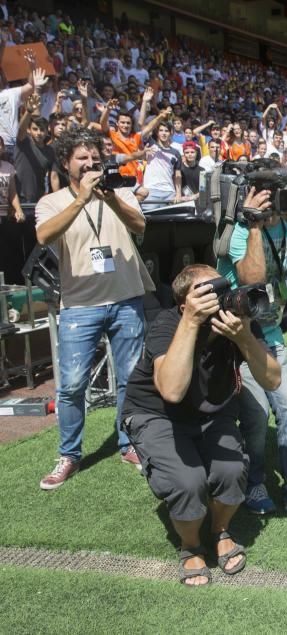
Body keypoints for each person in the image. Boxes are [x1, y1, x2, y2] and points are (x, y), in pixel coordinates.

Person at [122, 264, 281, 586]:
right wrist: (192, 323)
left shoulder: (235, 323)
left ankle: (220, 528)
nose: (225, 299)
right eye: (212, 294)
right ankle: (190, 546)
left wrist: (245, 338)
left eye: (224, 290)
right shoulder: (167, 324)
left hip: (212, 411)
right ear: (185, 304)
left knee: (232, 472)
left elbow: (273, 379)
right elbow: (171, 391)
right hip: (157, 413)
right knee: (187, 481)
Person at [35, 127, 155, 489]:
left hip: (126, 298)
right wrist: (80, 200)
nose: (91, 163)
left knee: (131, 380)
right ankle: (69, 454)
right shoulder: (51, 201)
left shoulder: (118, 192)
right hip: (79, 305)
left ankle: (129, 442)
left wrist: (111, 199)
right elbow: (44, 236)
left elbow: (141, 226)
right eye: (82, 158)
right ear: (66, 163)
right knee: (71, 386)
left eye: (94, 156)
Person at [216, 183, 287, 514]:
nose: (274, 199)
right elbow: (251, 278)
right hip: (240, 337)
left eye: (279, 192)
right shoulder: (239, 230)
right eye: (267, 193)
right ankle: (254, 485)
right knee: (256, 416)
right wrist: (254, 223)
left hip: (271, 335)